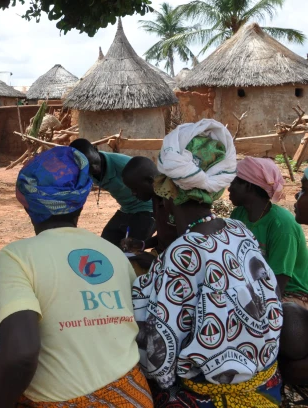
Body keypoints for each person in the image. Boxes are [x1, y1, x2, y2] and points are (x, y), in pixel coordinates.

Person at [0, 146, 152, 408]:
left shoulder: (16, 256)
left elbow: (21, 354)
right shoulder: (115, 254)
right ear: (82, 199)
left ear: (27, 203)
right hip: (135, 396)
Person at [132, 119, 283, 407]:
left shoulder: (182, 252)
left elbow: (160, 355)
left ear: (168, 191)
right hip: (267, 383)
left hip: (209, 396)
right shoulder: (239, 231)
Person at [229, 157, 308, 305]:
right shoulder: (238, 214)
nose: (229, 188)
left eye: (234, 182)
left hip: (291, 294)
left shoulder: (281, 225)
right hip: (254, 285)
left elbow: (278, 283)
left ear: (248, 186)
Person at [69, 138, 155, 248]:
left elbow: (152, 180)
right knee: (106, 245)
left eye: (94, 162)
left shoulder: (122, 164)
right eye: (88, 167)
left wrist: (157, 212)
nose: (95, 168)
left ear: (96, 149)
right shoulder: (83, 170)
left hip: (147, 207)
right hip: (126, 209)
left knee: (132, 247)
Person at [121, 156, 177, 255]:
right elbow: (166, 236)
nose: (133, 193)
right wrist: (141, 244)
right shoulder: (156, 198)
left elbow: (186, 239)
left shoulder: (173, 201)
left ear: (150, 181)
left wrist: (154, 261)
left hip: (175, 260)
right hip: (162, 256)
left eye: (135, 188)